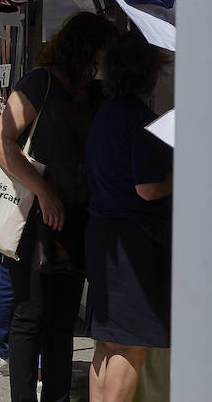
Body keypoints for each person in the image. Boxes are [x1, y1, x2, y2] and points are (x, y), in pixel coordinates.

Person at [0, 11, 118, 402]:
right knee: (31, 318)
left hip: (80, 220)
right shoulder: (40, 81)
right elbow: (1, 141)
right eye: (103, 51)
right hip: (38, 218)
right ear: (87, 48)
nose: (106, 60)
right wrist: (43, 191)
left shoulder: (97, 92)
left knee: (63, 324)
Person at [85, 31, 173, 402]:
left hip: (105, 237)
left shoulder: (107, 114)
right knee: (130, 348)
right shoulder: (141, 121)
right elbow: (148, 188)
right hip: (133, 245)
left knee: (107, 345)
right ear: (150, 75)